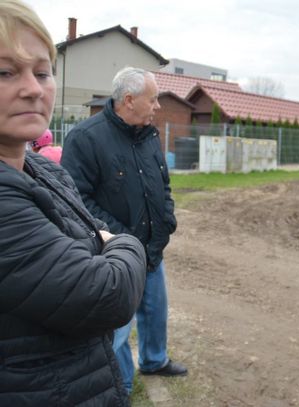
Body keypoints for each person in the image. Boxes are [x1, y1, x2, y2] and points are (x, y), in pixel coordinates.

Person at [0, 1, 148, 405]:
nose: (32, 87)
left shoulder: (41, 168)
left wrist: (110, 246)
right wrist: (124, 242)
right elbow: (107, 294)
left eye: (43, 71)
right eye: (5, 72)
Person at [61, 66, 187, 393]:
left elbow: (163, 185)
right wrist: (122, 239)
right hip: (112, 256)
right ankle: (122, 388)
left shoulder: (149, 136)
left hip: (152, 250)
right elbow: (77, 201)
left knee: (155, 311)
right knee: (118, 328)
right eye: (154, 99)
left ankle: (154, 360)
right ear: (129, 100)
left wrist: (167, 219)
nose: (158, 106)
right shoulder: (86, 138)